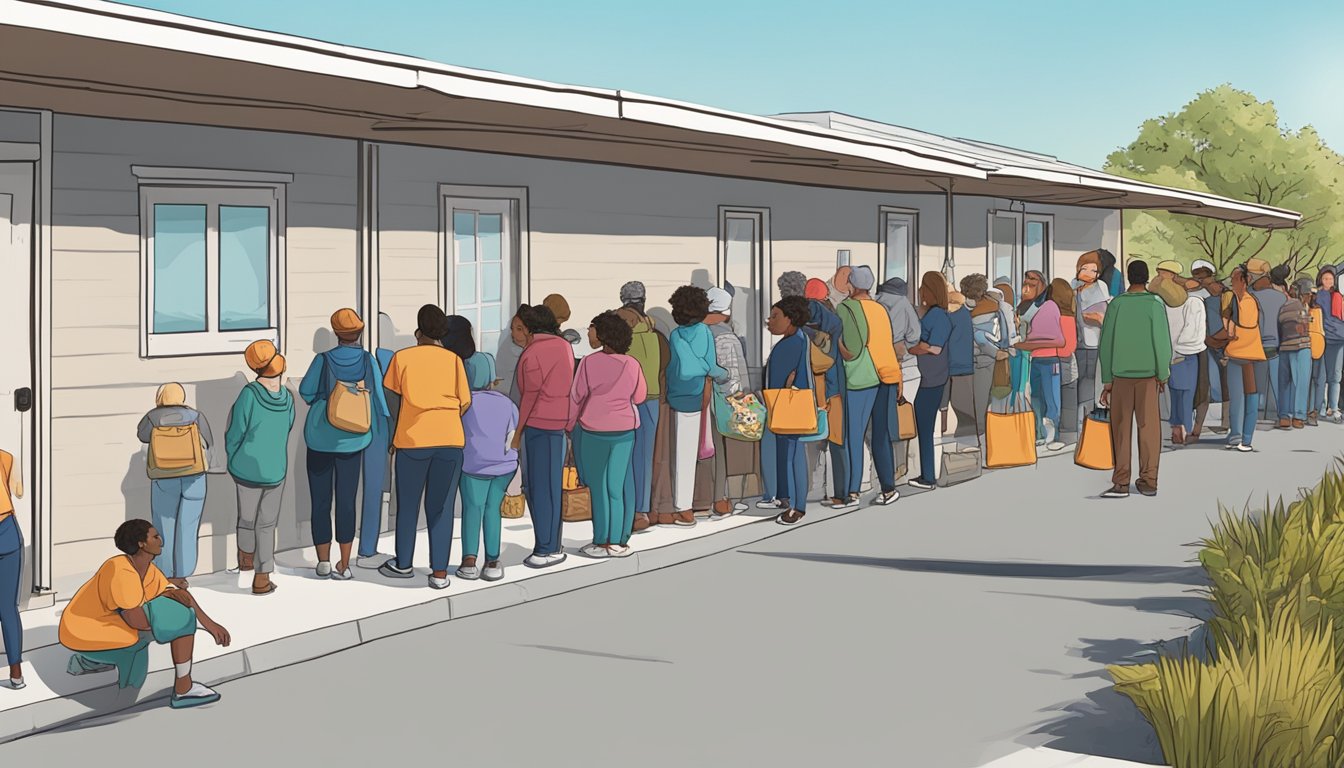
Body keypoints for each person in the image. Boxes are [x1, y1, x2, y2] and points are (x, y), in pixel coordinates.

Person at [59, 520, 230, 708]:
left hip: (99, 625)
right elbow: (137, 620)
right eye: (155, 537)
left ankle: (86, 663)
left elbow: (182, 596)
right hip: (83, 629)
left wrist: (210, 625)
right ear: (141, 543)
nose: (161, 541)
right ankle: (182, 688)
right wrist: (179, 623)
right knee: (170, 624)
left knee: (175, 613)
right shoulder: (120, 569)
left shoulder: (148, 569)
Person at [378, 304, 472, 589]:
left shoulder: (401, 358)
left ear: (418, 330)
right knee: (441, 506)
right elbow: (465, 402)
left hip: (413, 439)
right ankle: (440, 572)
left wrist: (394, 436)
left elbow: (391, 401)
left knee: (408, 504)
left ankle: (404, 564)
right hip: (450, 440)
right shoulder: (454, 360)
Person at [299, 309, 389, 582]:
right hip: (354, 439)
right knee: (347, 501)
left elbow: (305, 392)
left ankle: (323, 561)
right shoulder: (367, 360)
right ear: (359, 333)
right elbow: (380, 400)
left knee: (320, 501)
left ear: (336, 333)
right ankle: (345, 563)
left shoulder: (322, 360)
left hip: (320, 439)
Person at [570, 311, 645, 556]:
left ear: (603, 334)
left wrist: (570, 425)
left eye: (592, 328)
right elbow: (640, 396)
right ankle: (617, 541)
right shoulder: (632, 364)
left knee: (599, 488)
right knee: (616, 486)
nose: (589, 333)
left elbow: (577, 396)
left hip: (593, 430)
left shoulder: (589, 363)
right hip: (624, 431)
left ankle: (600, 540)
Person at [226, 340, 295, 596]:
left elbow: (235, 432)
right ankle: (262, 577)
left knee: (246, 519)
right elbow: (287, 426)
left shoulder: (248, 394)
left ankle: (245, 559)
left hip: (246, 467)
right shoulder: (287, 398)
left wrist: (233, 456)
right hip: (276, 468)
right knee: (267, 524)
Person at [1098, 261, 1171, 498]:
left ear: (1129, 278)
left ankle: (1121, 481)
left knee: (1120, 429)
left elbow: (1106, 343)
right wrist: (1163, 374)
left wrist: (1107, 379)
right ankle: (1149, 480)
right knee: (1149, 428)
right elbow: (1161, 343)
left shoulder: (1116, 305)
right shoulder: (1155, 304)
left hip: (1120, 376)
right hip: (1148, 376)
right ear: (1147, 277)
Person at [511, 303, 576, 565]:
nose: (514, 334)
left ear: (530, 329)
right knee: (550, 487)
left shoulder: (532, 353)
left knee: (537, 488)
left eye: (517, 328)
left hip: (537, 426)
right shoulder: (564, 347)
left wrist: (517, 434)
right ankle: (552, 544)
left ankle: (545, 548)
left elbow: (530, 396)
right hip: (559, 425)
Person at [137, 382, 213, 588]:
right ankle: (183, 574)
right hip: (195, 476)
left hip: (164, 476)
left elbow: (142, 436)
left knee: (164, 525)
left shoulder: (152, 417)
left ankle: (166, 573)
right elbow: (208, 441)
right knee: (188, 526)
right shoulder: (196, 416)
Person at [665, 286, 728, 527]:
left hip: (680, 396)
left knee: (683, 453)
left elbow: (687, 366)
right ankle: (703, 501)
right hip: (703, 393)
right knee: (703, 449)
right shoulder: (704, 332)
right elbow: (710, 365)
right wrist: (721, 373)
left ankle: (685, 508)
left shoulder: (676, 335)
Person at [840, 266, 903, 505]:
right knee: (881, 434)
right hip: (886, 374)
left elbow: (851, 347)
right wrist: (897, 376)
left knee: (854, 434)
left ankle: (852, 490)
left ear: (851, 285)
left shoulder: (846, 308)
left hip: (861, 376)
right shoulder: (880, 310)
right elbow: (887, 344)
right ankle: (888, 488)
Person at [457, 352, 516, 582]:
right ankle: (492, 560)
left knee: (473, 508)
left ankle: (469, 561)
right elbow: (512, 434)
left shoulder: (464, 403)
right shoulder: (506, 402)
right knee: (493, 509)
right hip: (503, 465)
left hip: (473, 465)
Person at [616, 283, 669, 533]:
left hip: (625, 399)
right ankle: (642, 510)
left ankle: (630, 510)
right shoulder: (654, 328)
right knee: (645, 457)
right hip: (651, 398)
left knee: (624, 456)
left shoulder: (617, 324)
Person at [765, 296, 814, 525]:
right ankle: (788, 498)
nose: (769, 320)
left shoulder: (789, 346)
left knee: (792, 455)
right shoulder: (801, 340)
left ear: (791, 318)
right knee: (791, 452)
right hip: (796, 403)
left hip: (788, 405)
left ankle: (797, 507)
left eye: (775, 316)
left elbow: (777, 382)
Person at [705, 287, 751, 519]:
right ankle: (721, 499)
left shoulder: (698, 332)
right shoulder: (726, 337)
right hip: (722, 400)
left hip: (699, 399)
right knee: (721, 451)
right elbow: (733, 372)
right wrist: (741, 397)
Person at [1150, 262, 1206, 445]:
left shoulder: (1161, 303)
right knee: (1184, 392)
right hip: (1185, 354)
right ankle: (1183, 428)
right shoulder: (1192, 301)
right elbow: (1194, 334)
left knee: (1175, 392)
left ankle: (1177, 427)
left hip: (1172, 353)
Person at [805, 291, 850, 507]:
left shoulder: (804, 336)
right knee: (838, 444)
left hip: (815, 395)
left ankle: (812, 489)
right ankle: (842, 493)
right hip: (837, 392)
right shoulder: (837, 329)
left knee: (812, 443)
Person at [907, 272, 951, 490]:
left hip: (931, 378)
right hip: (933, 376)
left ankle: (928, 476)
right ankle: (926, 474)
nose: (920, 291)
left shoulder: (937, 316)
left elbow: (934, 347)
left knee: (924, 427)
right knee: (924, 426)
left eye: (923, 287)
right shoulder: (936, 314)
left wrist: (915, 348)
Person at [1016, 271, 1065, 450]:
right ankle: (1039, 434)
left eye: (1033, 280)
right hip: (1034, 360)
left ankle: (1052, 436)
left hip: (1049, 359)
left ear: (1042, 284)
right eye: (1026, 280)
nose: (1028, 284)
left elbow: (1060, 340)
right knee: (1035, 397)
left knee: (1051, 399)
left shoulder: (1050, 306)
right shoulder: (1025, 307)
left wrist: (1031, 345)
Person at [1224, 265, 1267, 452]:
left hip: (1239, 355)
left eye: (1234, 279)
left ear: (1243, 280)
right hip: (1252, 354)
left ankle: (1239, 436)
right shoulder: (1251, 301)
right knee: (1247, 398)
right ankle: (1243, 438)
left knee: (1241, 398)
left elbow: (1232, 329)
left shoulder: (1241, 301)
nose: (1231, 282)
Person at [1074, 251, 1112, 428]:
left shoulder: (1100, 288)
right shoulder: (1073, 288)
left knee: (1089, 380)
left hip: (1093, 342)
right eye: (1084, 268)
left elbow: (1103, 317)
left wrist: (1087, 316)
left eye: (1093, 270)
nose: (1088, 273)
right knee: (1078, 379)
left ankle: (1087, 418)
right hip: (1076, 342)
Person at [1248, 259, 1287, 421]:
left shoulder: (1251, 297)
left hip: (1258, 346)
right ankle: (1282, 414)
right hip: (1277, 346)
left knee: (1256, 385)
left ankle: (1253, 415)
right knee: (1279, 383)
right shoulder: (1281, 298)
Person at [964, 274, 1004, 433]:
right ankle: (990, 430)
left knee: (980, 400)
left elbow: (980, 338)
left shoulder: (977, 310)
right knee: (991, 398)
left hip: (983, 357)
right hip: (993, 356)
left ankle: (981, 432)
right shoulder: (993, 305)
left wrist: (995, 353)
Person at [1192, 263, 1228, 439]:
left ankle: (1222, 422)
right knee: (1213, 384)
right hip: (1210, 344)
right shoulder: (1202, 298)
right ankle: (1214, 422)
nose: (1202, 280)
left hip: (1220, 344)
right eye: (1198, 277)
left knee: (1219, 384)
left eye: (1204, 276)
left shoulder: (1221, 297)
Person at [0, 448, 24, 689]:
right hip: (6, 530)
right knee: (7, 608)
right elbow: (19, 491)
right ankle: (16, 671)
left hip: (7, 532)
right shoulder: (6, 458)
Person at [1278, 277, 1313, 430]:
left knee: (1284, 383)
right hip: (1301, 346)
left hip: (1284, 346)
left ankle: (1284, 416)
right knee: (1301, 382)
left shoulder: (1283, 306)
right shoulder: (1300, 306)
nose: (1309, 297)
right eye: (1307, 294)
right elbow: (1302, 327)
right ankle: (1298, 416)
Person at [1049, 278, 1080, 436]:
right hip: (1067, 363)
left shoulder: (1048, 315)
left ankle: (1054, 431)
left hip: (1052, 362)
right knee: (1068, 398)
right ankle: (1068, 431)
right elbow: (1070, 346)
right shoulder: (1069, 318)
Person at [943, 289, 977, 437]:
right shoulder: (965, 314)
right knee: (964, 403)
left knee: (947, 401)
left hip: (950, 363)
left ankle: (943, 428)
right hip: (964, 363)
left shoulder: (948, 316)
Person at [1314, 267, 1344, 424]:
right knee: (1323, 376)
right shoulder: (1319, 296)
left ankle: (1333, 406)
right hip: (1325, 338)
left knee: (1335, 376)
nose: (1328, 282)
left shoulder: (1338, 295)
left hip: (1337, 339)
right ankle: (1322, 407)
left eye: (1330, 279)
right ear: (1320, 280)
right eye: (1325, 279)